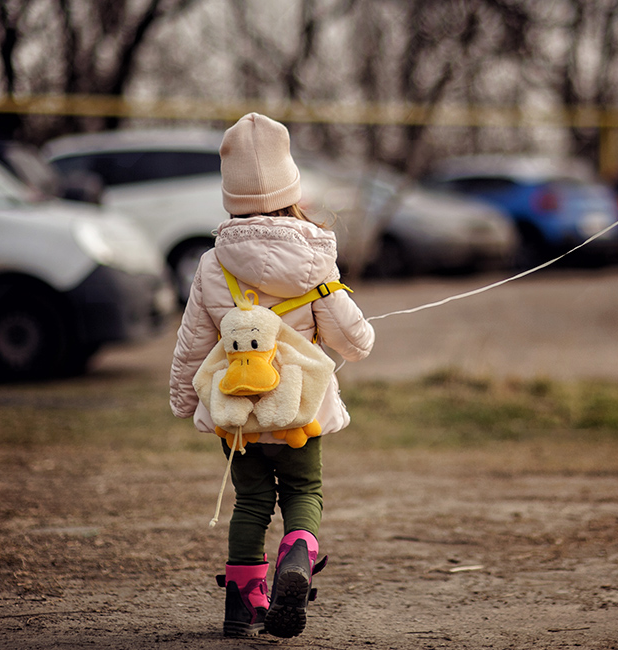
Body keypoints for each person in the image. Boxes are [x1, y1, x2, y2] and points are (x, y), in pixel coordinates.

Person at [169, 113, 375, 638]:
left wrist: (182, 399)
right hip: (299, 411)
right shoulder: (315, 258)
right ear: (292, 188)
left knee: (252, 500)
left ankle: (241, 604)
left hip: (238, 411)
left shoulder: (213, 263)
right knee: (305, 489)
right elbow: (356, 341)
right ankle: (296, 562)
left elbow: (192, 341)